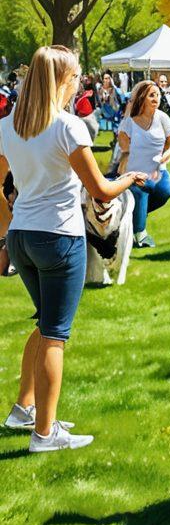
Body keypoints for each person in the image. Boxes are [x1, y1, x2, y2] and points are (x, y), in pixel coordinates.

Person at [0, 45, 146, 452]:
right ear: (62, 81)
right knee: (55, 336)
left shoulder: (8, 125)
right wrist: (129, 177)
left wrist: (7, 228)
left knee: (44, 321)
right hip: (59, 238)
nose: (80, 81)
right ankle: (45, 434)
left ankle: (24, 409)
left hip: (23, 238)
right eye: (77, 76)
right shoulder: (68, 126)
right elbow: (100, 188)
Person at [118, 80, 170, 249]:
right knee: (142, 189)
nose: (156, 98)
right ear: (142, 98)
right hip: (135, 172)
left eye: (158, 95)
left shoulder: (163, 117)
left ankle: (135, 216)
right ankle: (140, 235)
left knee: (165, 191)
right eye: (151, 95)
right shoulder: (129, 122)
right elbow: (123, 148)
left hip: (159, 169)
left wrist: (166, 155)